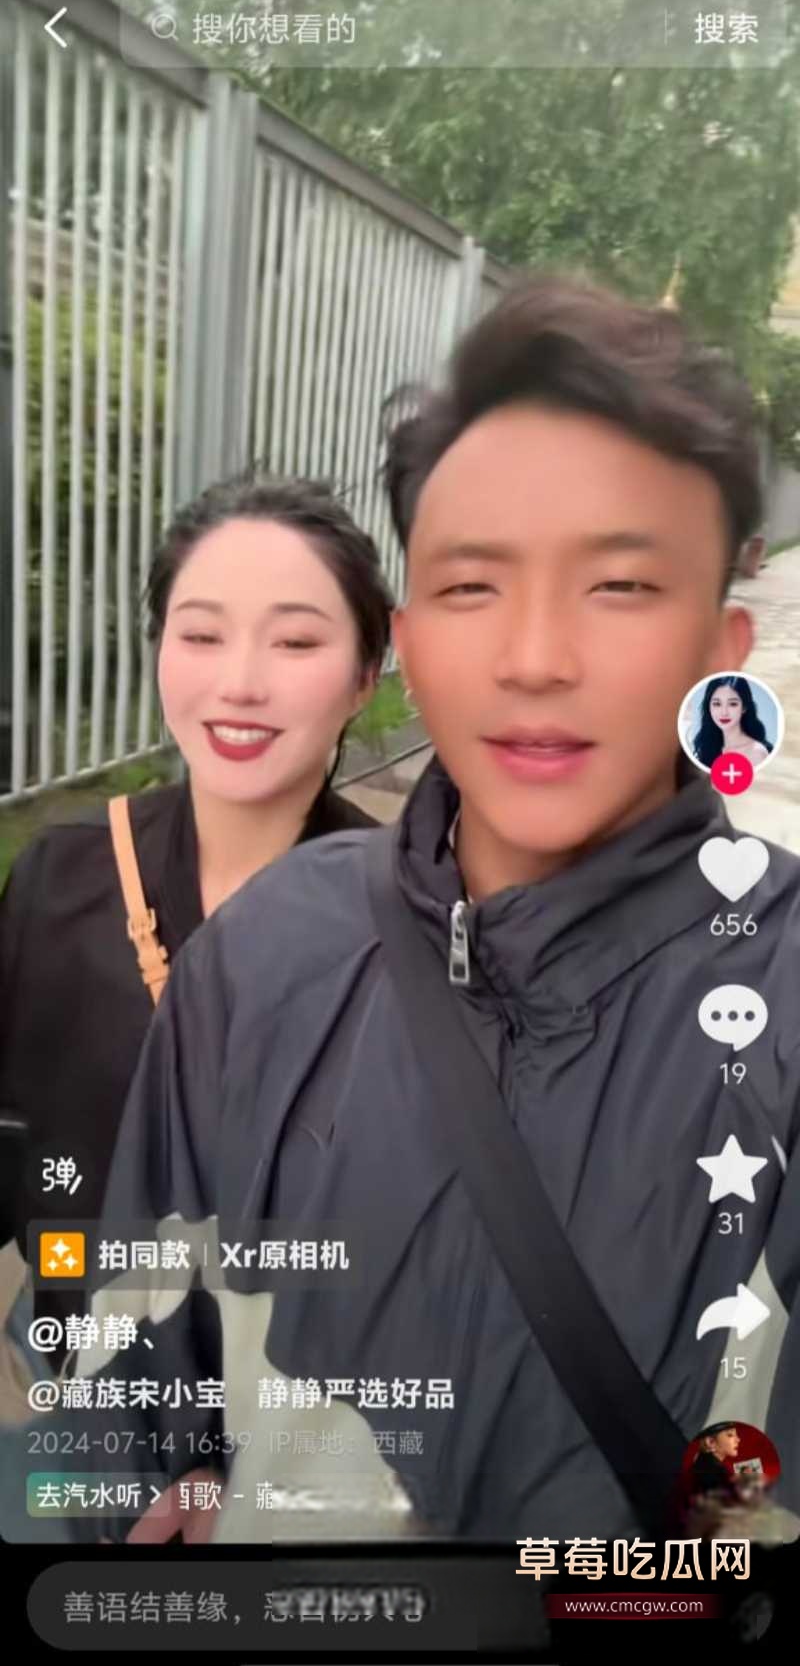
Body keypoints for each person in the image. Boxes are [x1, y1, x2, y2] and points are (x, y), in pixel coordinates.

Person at [78, 273, 800, 1547]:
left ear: (721, 652)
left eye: (619, 587)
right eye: (472, 587)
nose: (533, 659)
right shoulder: (263, 955)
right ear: (407, 640)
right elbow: (131, 1352)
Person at [0, 472, 391, 1535]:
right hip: (77, 1398)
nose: (240, 683)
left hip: (296, 1448)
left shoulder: (408, 926)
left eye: (296, 641)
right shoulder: (59, 881)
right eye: (202, 634)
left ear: (367, 673)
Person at [692, 675, 773, 770]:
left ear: (744, 707)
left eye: (733, 704)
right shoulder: (707, 747)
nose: (724, 712)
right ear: (708, 707)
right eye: (717, 704)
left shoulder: (756, 753)